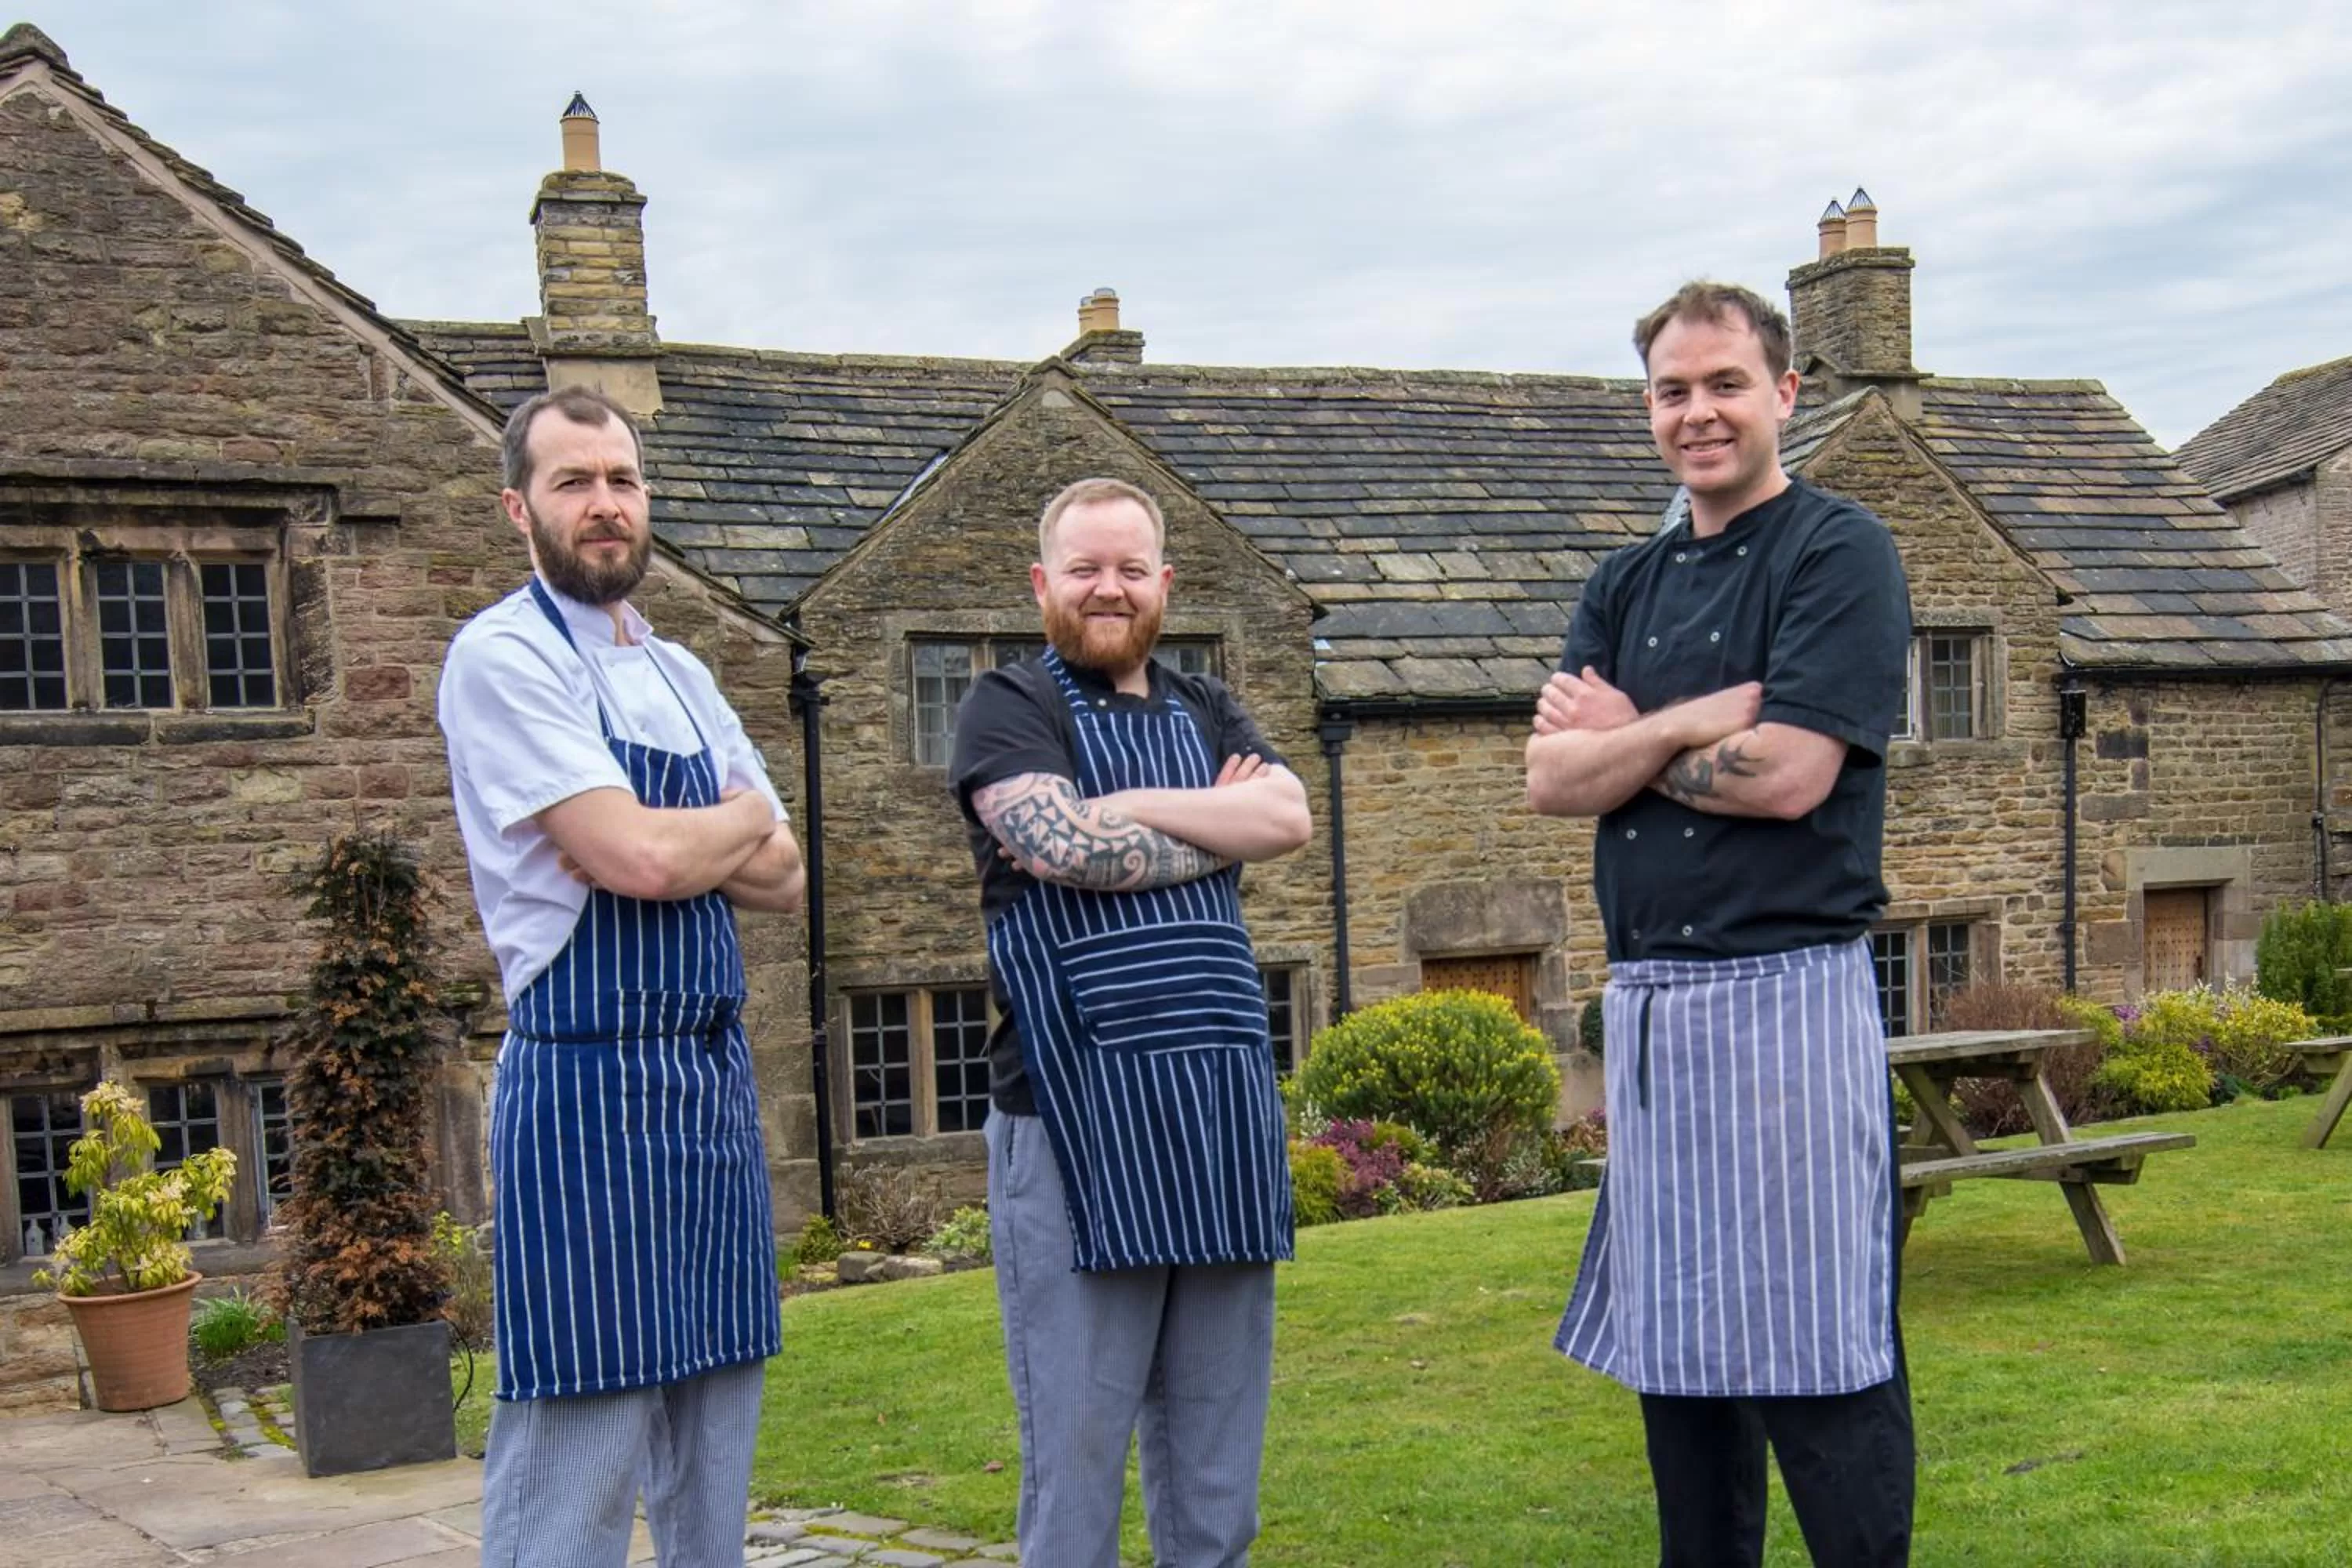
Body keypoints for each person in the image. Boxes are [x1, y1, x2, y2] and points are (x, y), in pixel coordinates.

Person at [1526, 283, 1916, 1567]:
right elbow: (1550, 783)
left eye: (1724, 384)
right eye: (1672, 391)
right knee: (1679, 1368)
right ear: (1648, 407)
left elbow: (1795, 775)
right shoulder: (1623, 580)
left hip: (1787, 1005)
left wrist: (1625, 740)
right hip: (1650, 1018)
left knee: (1821, 1360)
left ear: (1786, 392)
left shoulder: (1838, 553)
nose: (1697, 412)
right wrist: (1698, 719)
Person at [437, 385, 805, 1568]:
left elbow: (789, 876)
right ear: (519, 507)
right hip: (589, 1095)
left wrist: (706, 836)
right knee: (577, 1453)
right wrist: (736, 813)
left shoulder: (688, 673)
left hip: (708, 1086)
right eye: (573, 482)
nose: (605, 506)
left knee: (715, 1442)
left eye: (622, 480)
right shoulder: (502, 657)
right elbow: (635, 856)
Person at [949, 476, 1313, 1566]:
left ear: (1165, 582)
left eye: (1129, 568)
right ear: (1041, 583)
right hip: (1072, 1122)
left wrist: (1131, 805)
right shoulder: (1009, 706)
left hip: (1220, 1112)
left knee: (1217, 1474)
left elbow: (1288, 814)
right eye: (1084, 568)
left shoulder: (1206, 705)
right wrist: (1218, 818)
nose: (1108, 589)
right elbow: (1060, 849)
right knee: (1078, 1464)